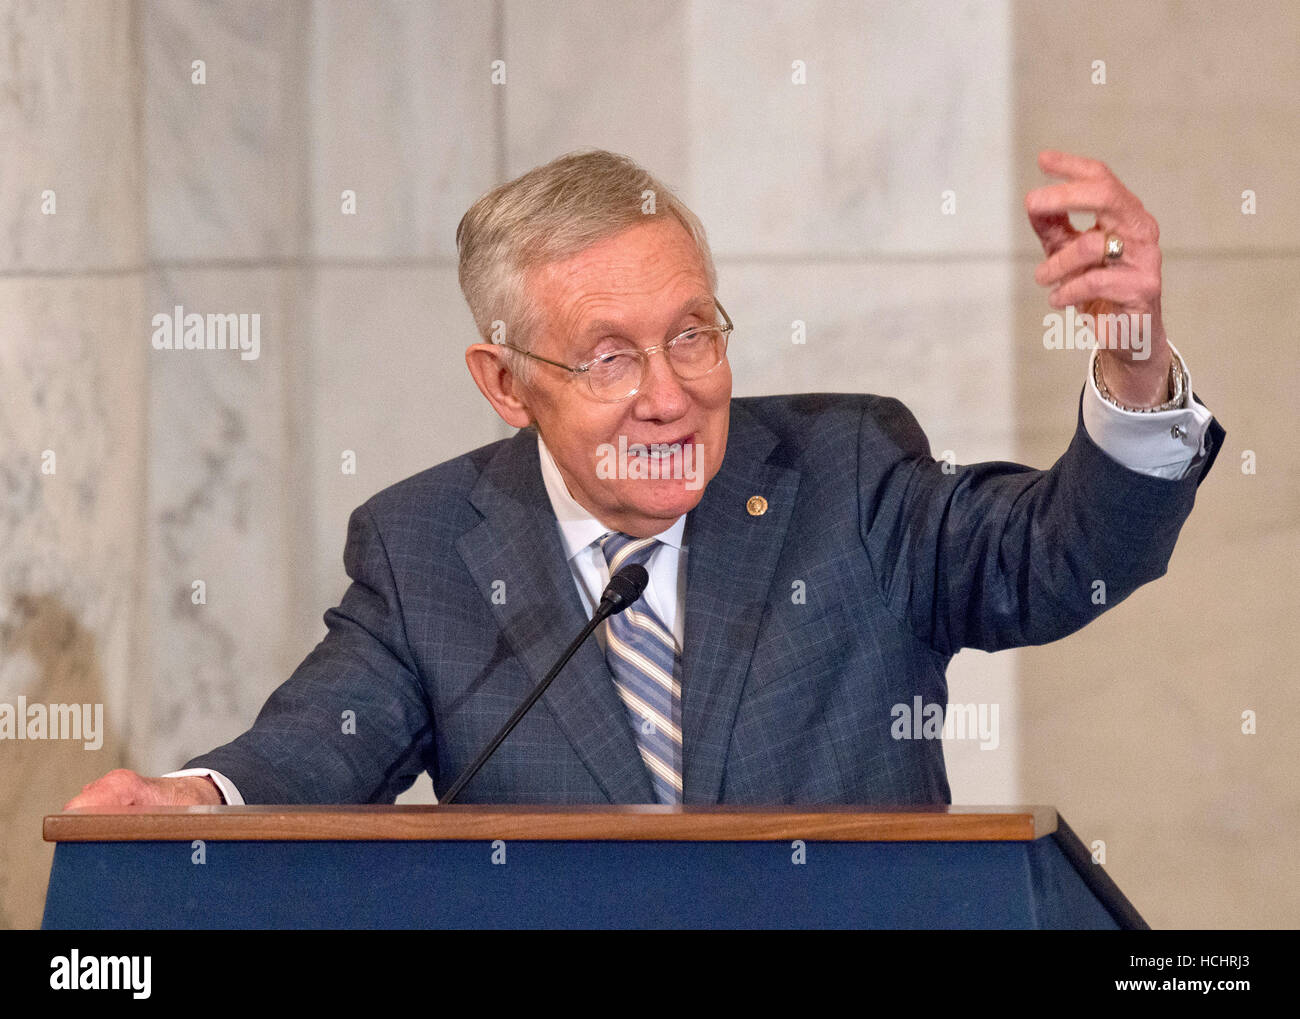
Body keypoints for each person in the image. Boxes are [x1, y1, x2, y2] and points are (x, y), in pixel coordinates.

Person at [66, 148, 1223, 809]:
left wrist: (1129, 360)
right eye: (609, 355)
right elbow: (321, 743)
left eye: (692, 334)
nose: (669, 394)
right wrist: (200, 799)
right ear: (505, 381)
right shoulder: (424, 547)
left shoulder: (848, 472)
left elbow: (1064, 558)